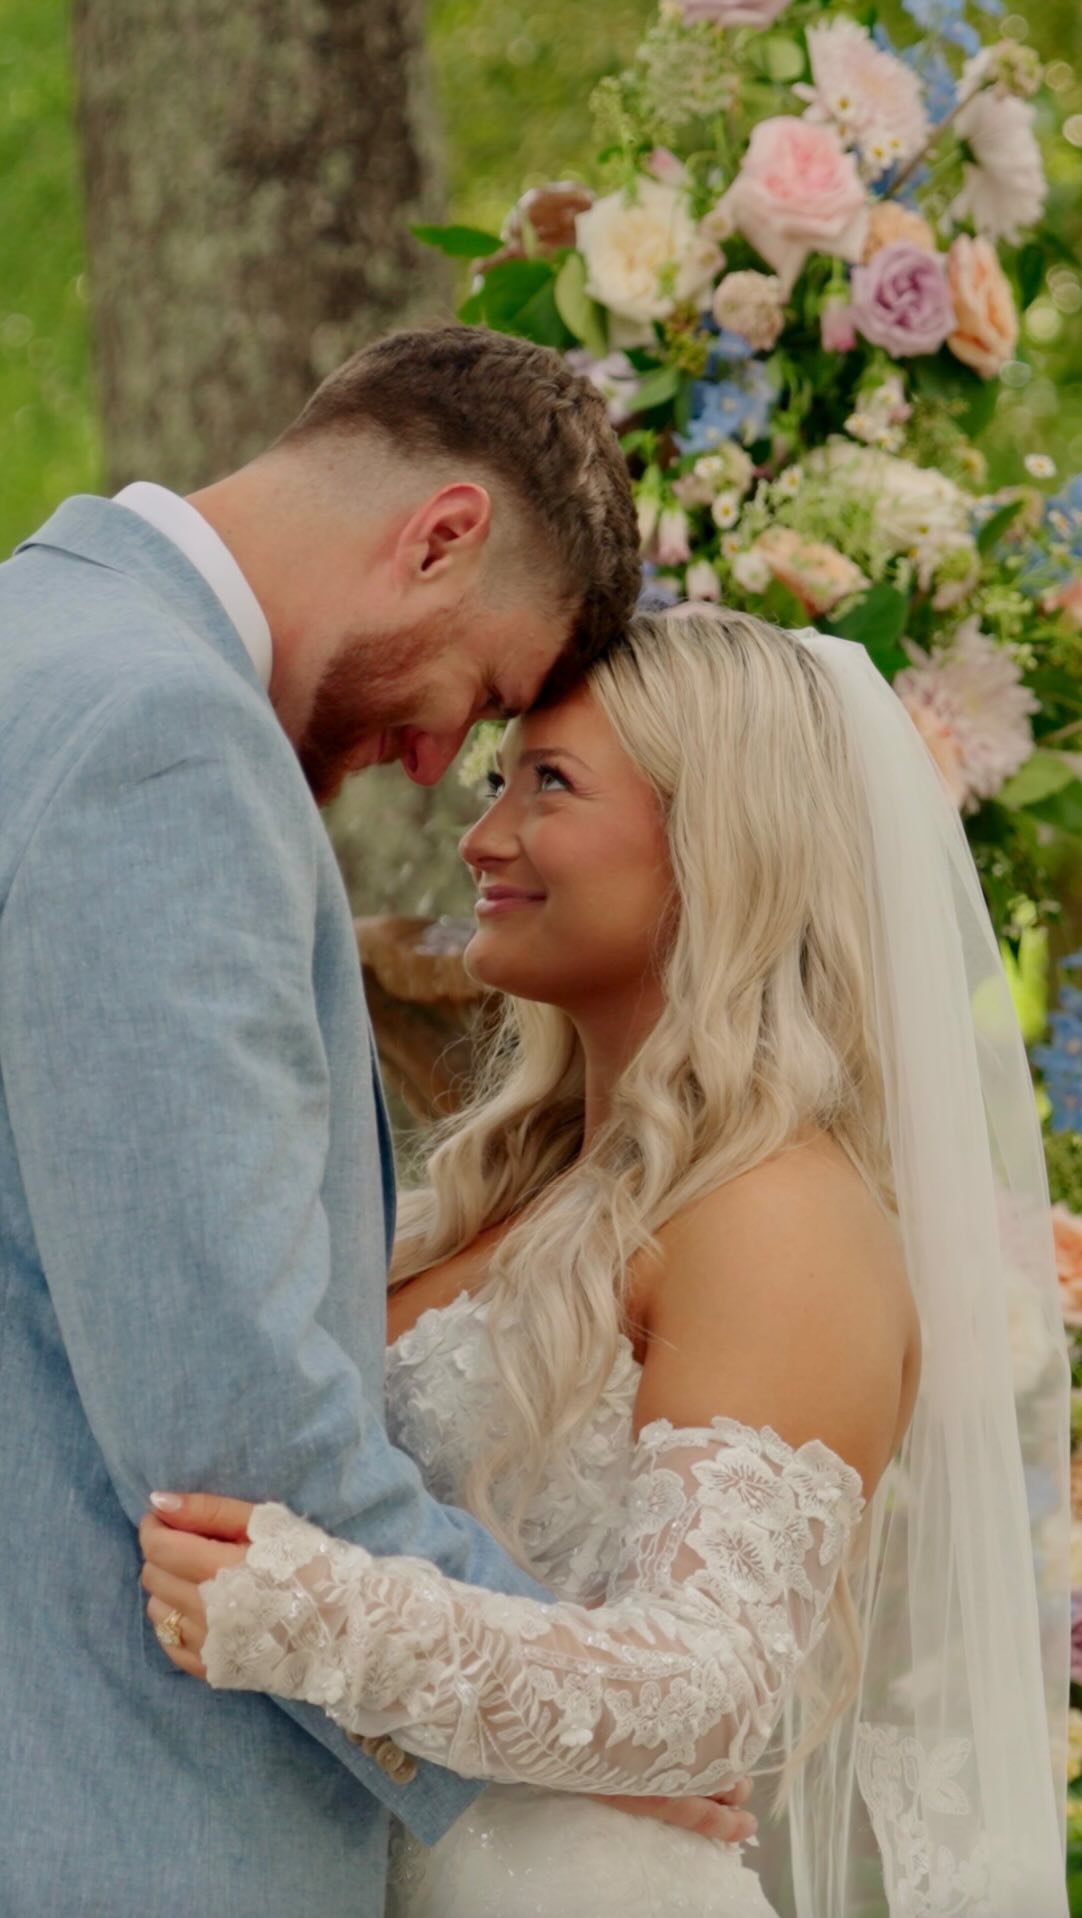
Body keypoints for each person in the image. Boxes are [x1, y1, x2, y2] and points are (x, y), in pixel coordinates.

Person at [141, 608, 1071, 1917]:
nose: (480, 837)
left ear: (716, 841)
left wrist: (303, 1610)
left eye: (549, 784)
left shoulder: (778, 1210)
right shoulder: (500, 1193)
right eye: (495, 780)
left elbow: (704, 1691)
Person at [1, 325, 762, 1918]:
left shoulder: (32, 644)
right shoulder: (166, 742)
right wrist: (579, 1716)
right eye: (472, 696)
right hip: (132, 1825)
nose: (434, 766)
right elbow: (229, 1427)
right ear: (439, 533)